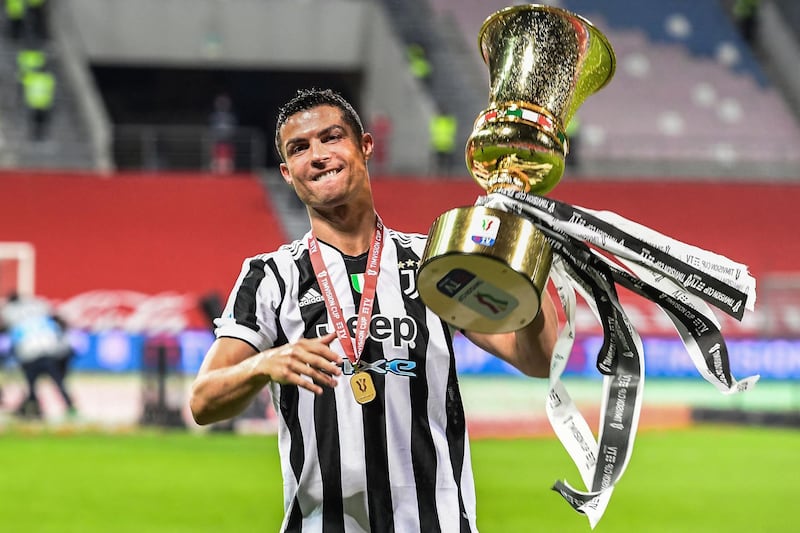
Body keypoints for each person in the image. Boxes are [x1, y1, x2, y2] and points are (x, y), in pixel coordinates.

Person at [190, 88, 558, 532]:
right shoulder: (270, 277)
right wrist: (266, 363)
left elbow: (537, 358)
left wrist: (526, 257)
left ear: (365, 146)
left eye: (331, 138)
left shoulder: (435, 261)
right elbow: (203, 400)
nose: (318, 155)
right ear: (288, 173)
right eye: (300, 148)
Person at [0, 292, 76, 419]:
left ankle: (34, 408)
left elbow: (6, 330)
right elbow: (59, 321)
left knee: (31, 383)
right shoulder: (39, 305)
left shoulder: (9, 312)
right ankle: (70, 407)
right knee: (58, 381)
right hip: (51, 349)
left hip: (28, 351)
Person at [209, 93, 238, 174]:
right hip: (217, 141)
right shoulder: (214, 116)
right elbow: (212, 128)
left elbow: (233, 128)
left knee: (228, 159)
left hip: (228, 140)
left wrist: (227, 133)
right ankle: (216, 171)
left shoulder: (231, 117)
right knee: (216, 159)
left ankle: (229, 171)